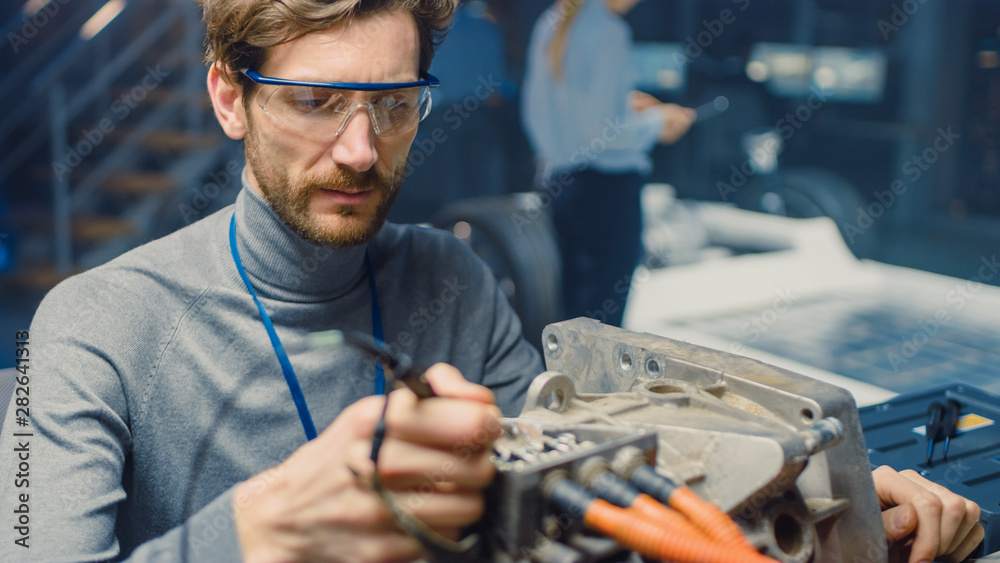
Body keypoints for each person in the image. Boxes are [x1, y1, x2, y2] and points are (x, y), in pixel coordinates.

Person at [0, 0, 984, 561]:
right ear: (227, 97)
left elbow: (584, 503)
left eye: (394, 106)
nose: (358, 148)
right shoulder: (86, 326)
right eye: (311, 100)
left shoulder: (450, 276)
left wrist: (836, 509)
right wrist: (255, 531)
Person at [521, 0, 695, 328]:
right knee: (602, 326)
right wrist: (660, 121)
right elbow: (601, 133)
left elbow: (544, 113)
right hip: (607, 194)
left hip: (557, 185)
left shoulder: (552, 20)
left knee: (565, 319)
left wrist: (627, 106)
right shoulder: (609, 32)